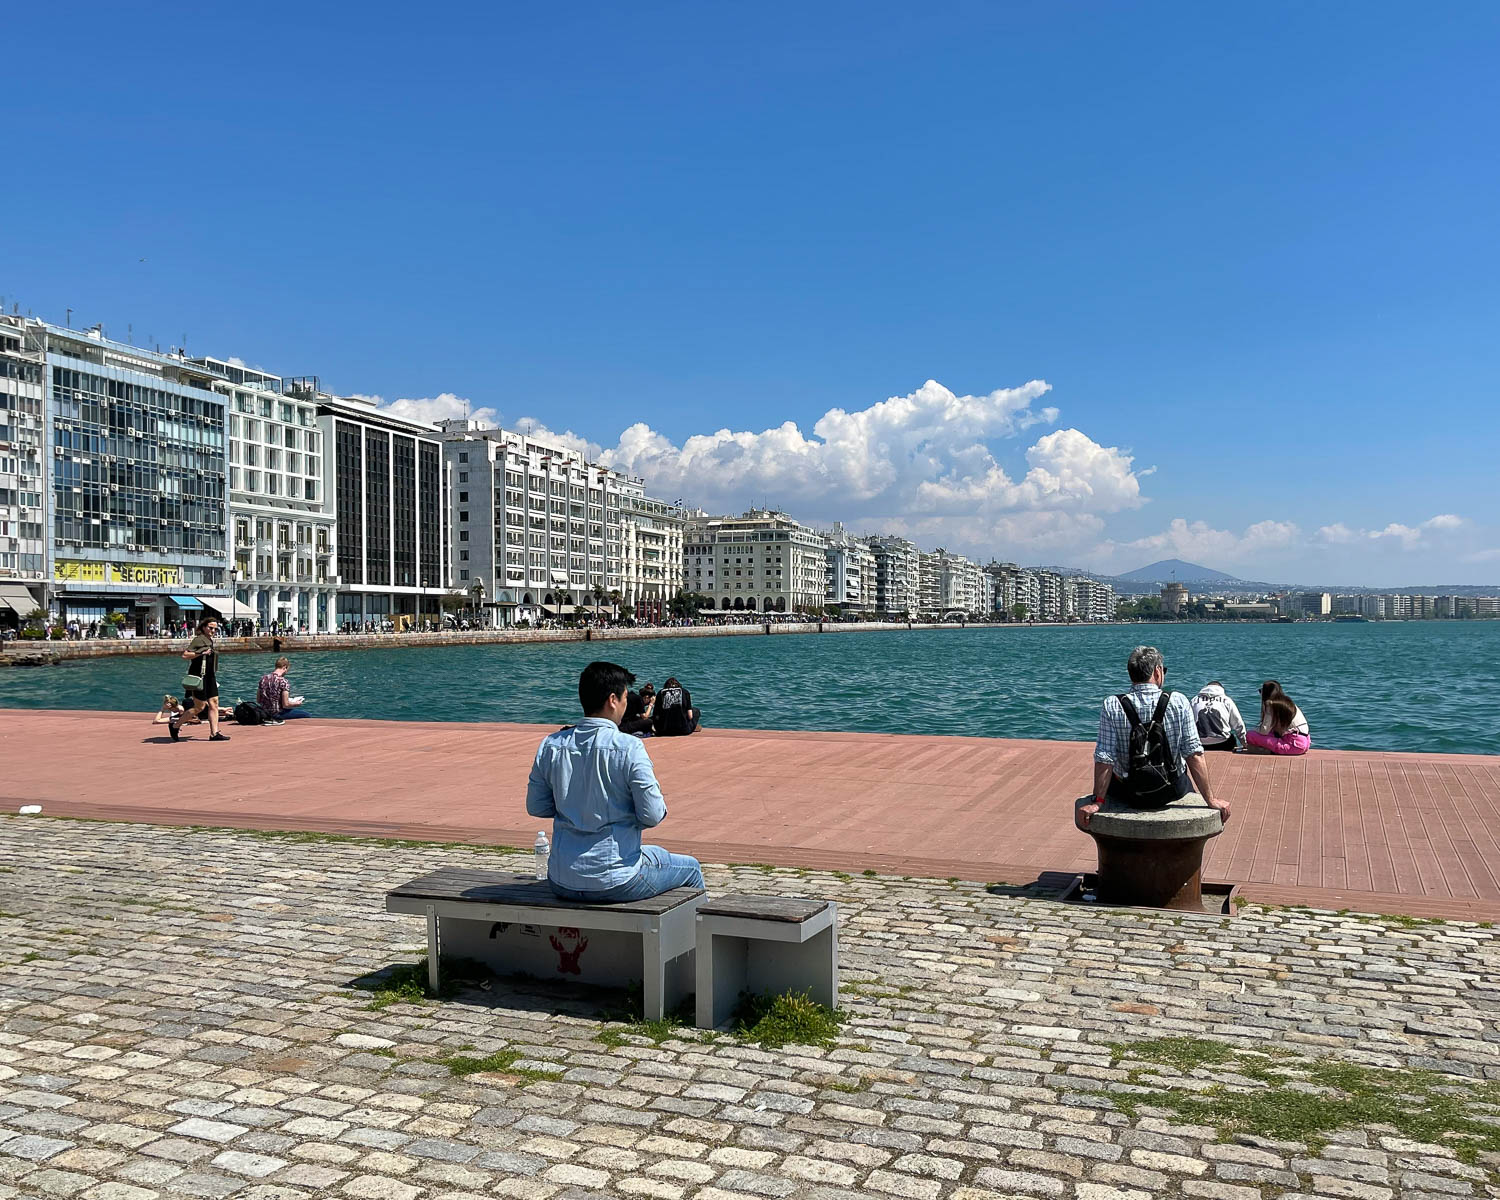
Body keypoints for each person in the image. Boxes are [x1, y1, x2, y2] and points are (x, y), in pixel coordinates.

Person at [526, 661, 703, 902]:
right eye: (624, 698)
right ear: (612, 700)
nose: (626, 703)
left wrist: (574, 807)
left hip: (561, 878)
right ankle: (698, 939)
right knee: (691, 869)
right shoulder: (629, 747)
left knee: (655, 855)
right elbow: (652, 814)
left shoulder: (551, 745)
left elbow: (536, 806)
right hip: (616, 879)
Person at [1078, 645, 1229, 829]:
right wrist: (1210, 800)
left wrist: (1098, 801)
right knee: (1183, 776)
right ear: (1157, 671)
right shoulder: (1178, 701)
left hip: (1128, 791)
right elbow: (1193, 754)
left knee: (1116, 778)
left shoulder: (1112, 705)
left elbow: (1105, 758)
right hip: (1171, 791)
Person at [179, 617, 230, 741]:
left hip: (210, 676)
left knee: (214, 703)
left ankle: (214, 733)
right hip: (199, 676)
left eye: (215, 628)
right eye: (210, 628)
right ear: (203, 627)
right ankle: (175, 725)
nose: (213, 630)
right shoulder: (199, 640)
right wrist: (201, 654)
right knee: (199, 707)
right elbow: (185, 655)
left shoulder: (209, 640)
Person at [1244, 680, 1311, 755]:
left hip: (1294, 745)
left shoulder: (1270, 704)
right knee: (1270, 733)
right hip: (1304, 743)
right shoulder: (1288, 703)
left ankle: (1268, 750)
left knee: (1250, 735)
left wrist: (1254, 729)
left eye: (1261, 691)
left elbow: (1264, 730)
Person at [1191, 681, 1248, 752]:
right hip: (1222, 743)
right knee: (1232, 737)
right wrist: (1245, 743)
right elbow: (1238, 725)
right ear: (1221, 689)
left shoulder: (1194, 700)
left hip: (1200, 743)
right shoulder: (1227, 700)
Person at [256, 656, 308, 723]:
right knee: (306, 715)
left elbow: (258, 700)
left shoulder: (263, 679)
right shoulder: (283, 681)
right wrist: (297, 703)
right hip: (277, 714)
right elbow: (285, 704)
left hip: (264, 713)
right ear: (284, 667)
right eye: (287, 669)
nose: (286, 671)